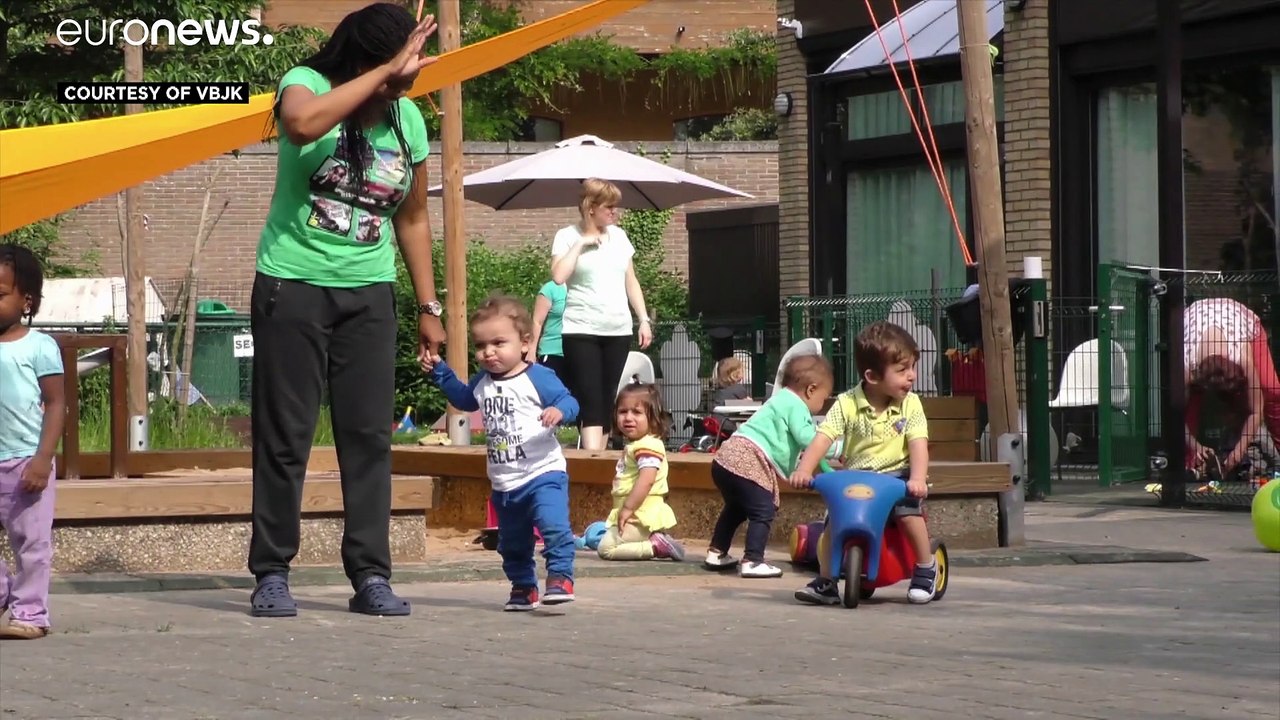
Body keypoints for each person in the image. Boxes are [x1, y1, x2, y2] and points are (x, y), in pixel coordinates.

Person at [247, 4, 447, 618]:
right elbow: (303, 126)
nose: (402, 90)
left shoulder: (408, 119)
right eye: (394, 77)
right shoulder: (303, 84)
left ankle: (370, 575)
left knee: (367, 438)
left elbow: (412, 216)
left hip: (369, 293)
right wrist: (384, 72)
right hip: (293, 286)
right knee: (286, 437)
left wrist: (428, 304)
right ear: (365, 62)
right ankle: (272, 572)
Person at [428, 295, 580, 611]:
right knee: (511, 542)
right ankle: (524, 587)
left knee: (553, 525)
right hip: (504, 482)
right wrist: (440, 371)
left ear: (525, 344)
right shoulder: (482, 382)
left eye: (499, 342)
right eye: (481, 345)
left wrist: (558, 411)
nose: (489, 352)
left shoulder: (537, 377)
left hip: (543, 472)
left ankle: (560, 577)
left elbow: (571, 402)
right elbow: (465, 400)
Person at [789, 321, 937, 605]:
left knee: (907, 513)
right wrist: (805, 469)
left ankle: (925, 566)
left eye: (912, 368)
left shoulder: (911, 404)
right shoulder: (846, 403)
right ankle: (827, 581)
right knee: (834, 522)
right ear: (872, 376)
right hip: (856, 477)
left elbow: (918, 444)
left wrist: (917, 478)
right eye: (902, 370)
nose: (912, 376)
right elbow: (822, 438)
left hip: (896, 477)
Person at [706, 355, 834, 578]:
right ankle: (753, 560)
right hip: (747, 460)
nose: (821, 405)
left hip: (726, 458)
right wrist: (837, 448)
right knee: (762, 509)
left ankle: (717, 551)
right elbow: (809, 439)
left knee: (736, 508)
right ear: (811, 390)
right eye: (824, 399)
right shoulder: (796, 405)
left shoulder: (779, 399)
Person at [550, 178, 652, 451]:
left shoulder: (619, 237)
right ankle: (591, 463)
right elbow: (558, 276)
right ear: (590, 207)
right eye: (609, 207)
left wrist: (643, 319)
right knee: (590, 399)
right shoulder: (567, 236)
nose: (615, 212)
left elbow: (631, 280)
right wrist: (581, 243)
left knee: (607, 400)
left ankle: (601, 461)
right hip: (581, 329)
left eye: (616, 207)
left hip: (617, 330)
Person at [0, 245, 65, 639]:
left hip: (26, 463)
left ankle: (30, 614)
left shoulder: (39, 346)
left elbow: (56, 405)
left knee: (32, 545)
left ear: (27, 301)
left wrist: (43, 460)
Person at [1183, 298, 1279, 477]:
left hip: (1240, 318)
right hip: (1194, 320)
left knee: (1271, 389)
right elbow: (1173, 415)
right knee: (1189, 406)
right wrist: (1196, 446)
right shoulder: (1187, 367)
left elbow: (1255, 411)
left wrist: (1239, 450)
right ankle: (1191, 463)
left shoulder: (1242, 354)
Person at [597, 383, 686, 561]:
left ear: (653, 418)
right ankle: (652, 540)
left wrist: (629, 508)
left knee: (606, 549)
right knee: (604, 539)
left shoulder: (648, 445)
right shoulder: (638, 445)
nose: (628, 418)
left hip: (641, 515)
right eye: (623, 412)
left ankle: (656, 547)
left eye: (637, 412)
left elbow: (646, 480)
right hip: (635, 513)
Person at [527, 280, 567, 379]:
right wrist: (531, 351)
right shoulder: (551, 288)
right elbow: (537, 321)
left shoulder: (586, 289)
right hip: (553, 351)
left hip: (579, 351)